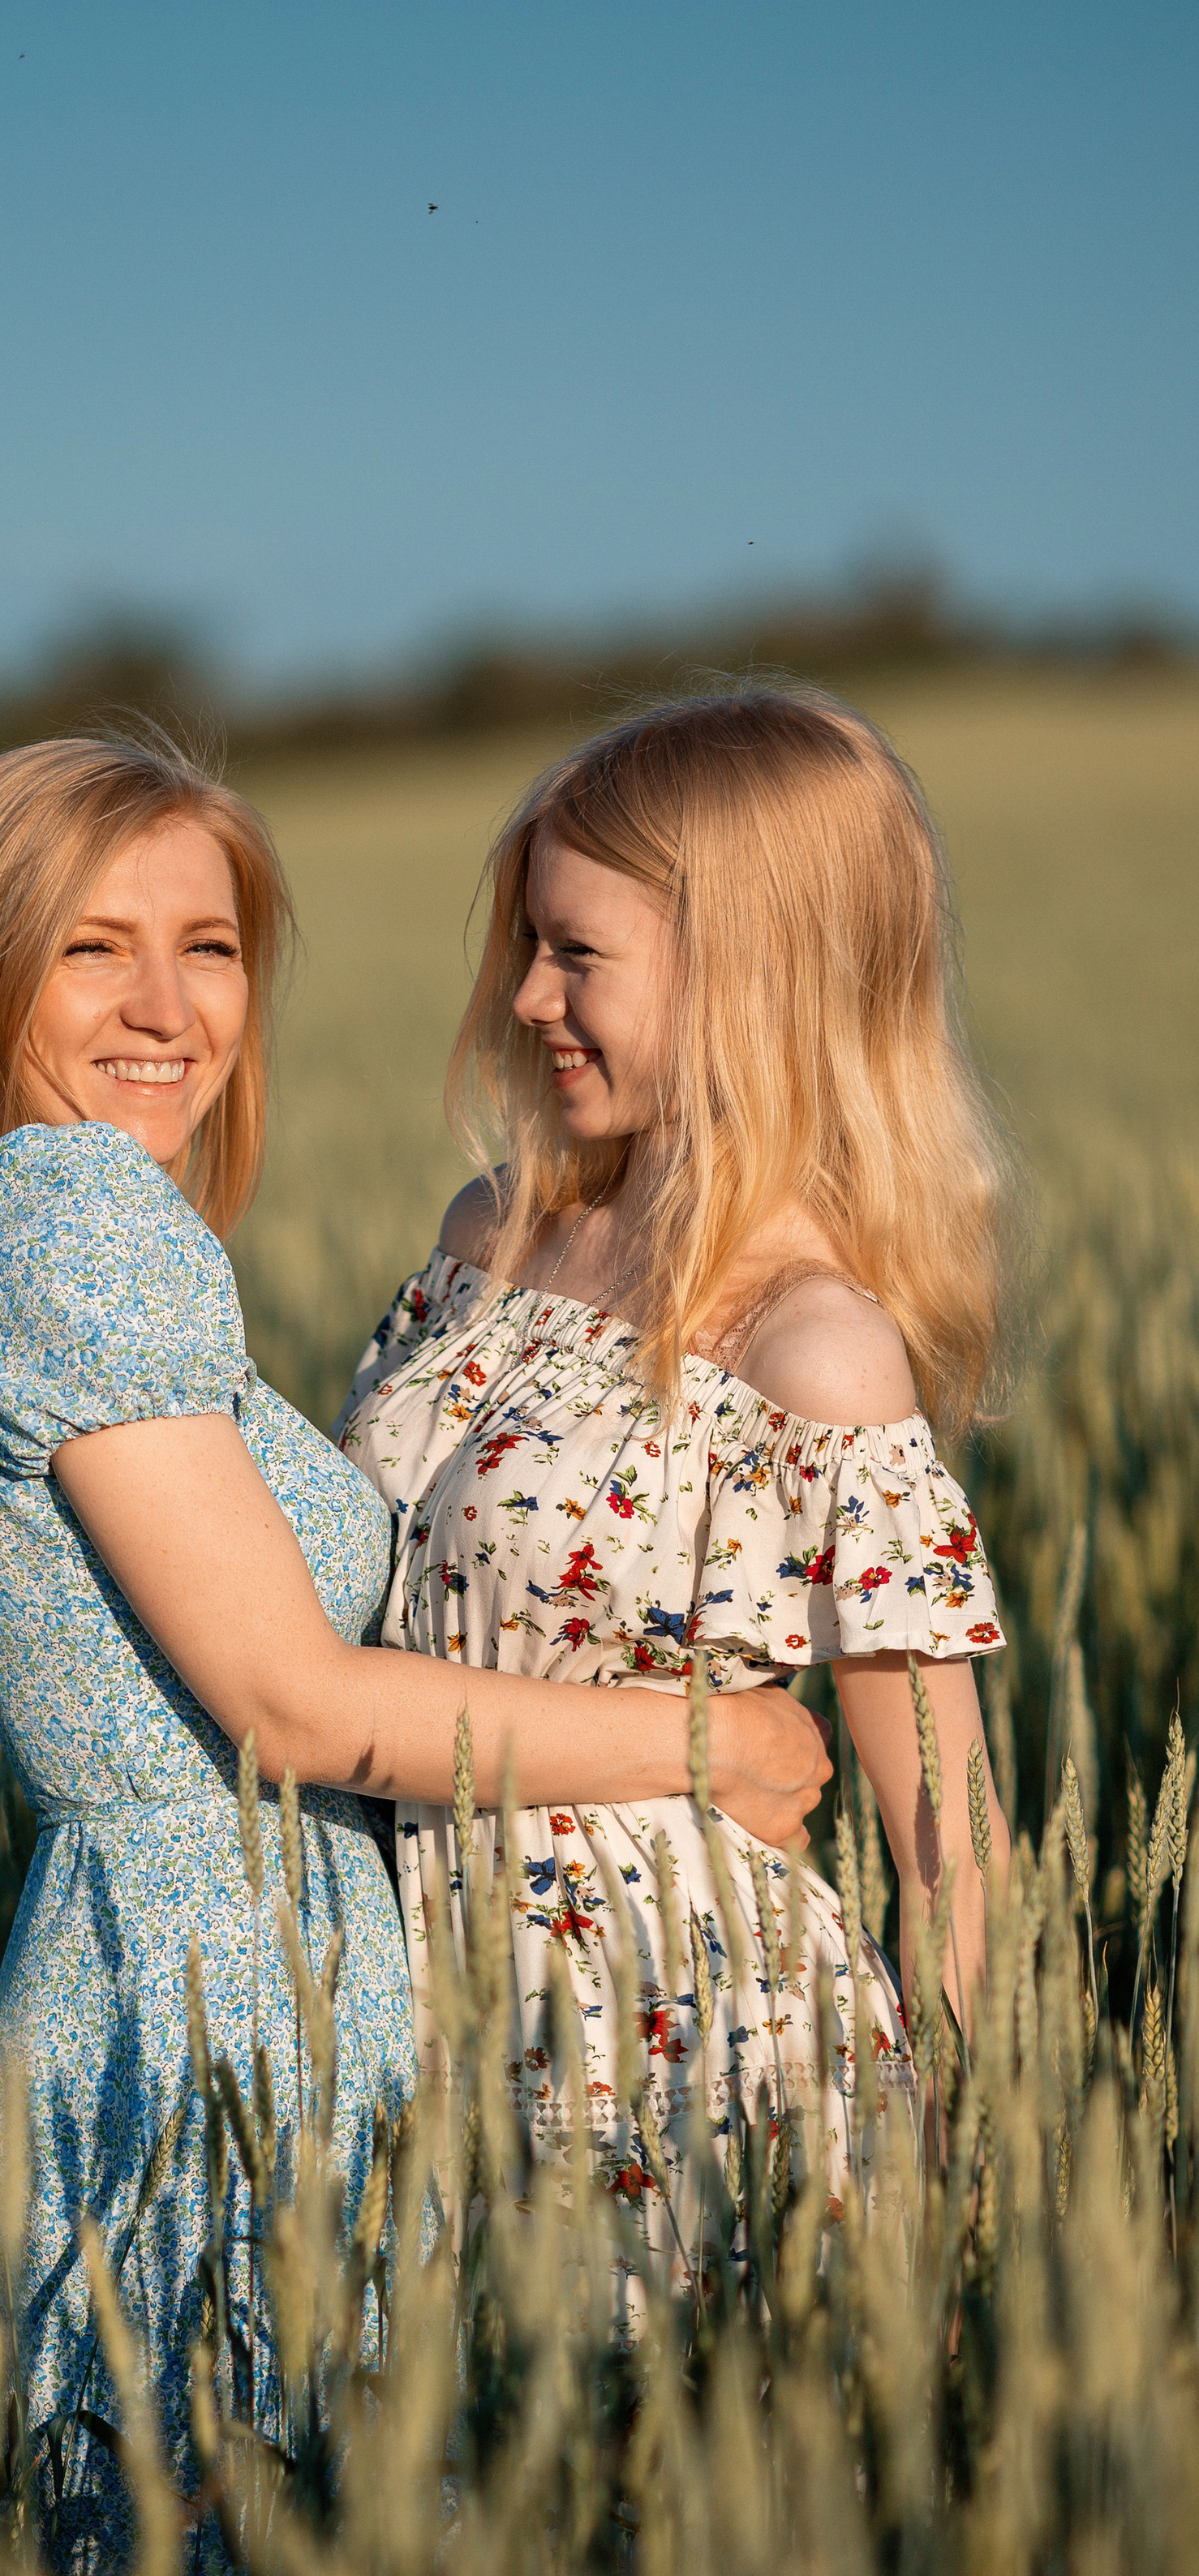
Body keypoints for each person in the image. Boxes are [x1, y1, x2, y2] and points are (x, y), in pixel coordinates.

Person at [0, 730, 828, 2567]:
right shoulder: (71, 1223)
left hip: (184, 1954)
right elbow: (293, 1708)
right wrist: (717, 1741)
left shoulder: (5, 1231)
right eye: (90, 949)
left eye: (208, 947)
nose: (168, 1008)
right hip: (226, 1985)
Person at [337, 684, 1014, 2258]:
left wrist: (967, 2198)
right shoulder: (490, 1233)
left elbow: (950, 1838)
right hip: (399, 1998)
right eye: (528, 943)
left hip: (676, 2064)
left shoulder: (811, 1352)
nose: (525, 996)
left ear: (751, 976)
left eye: (578, 952)